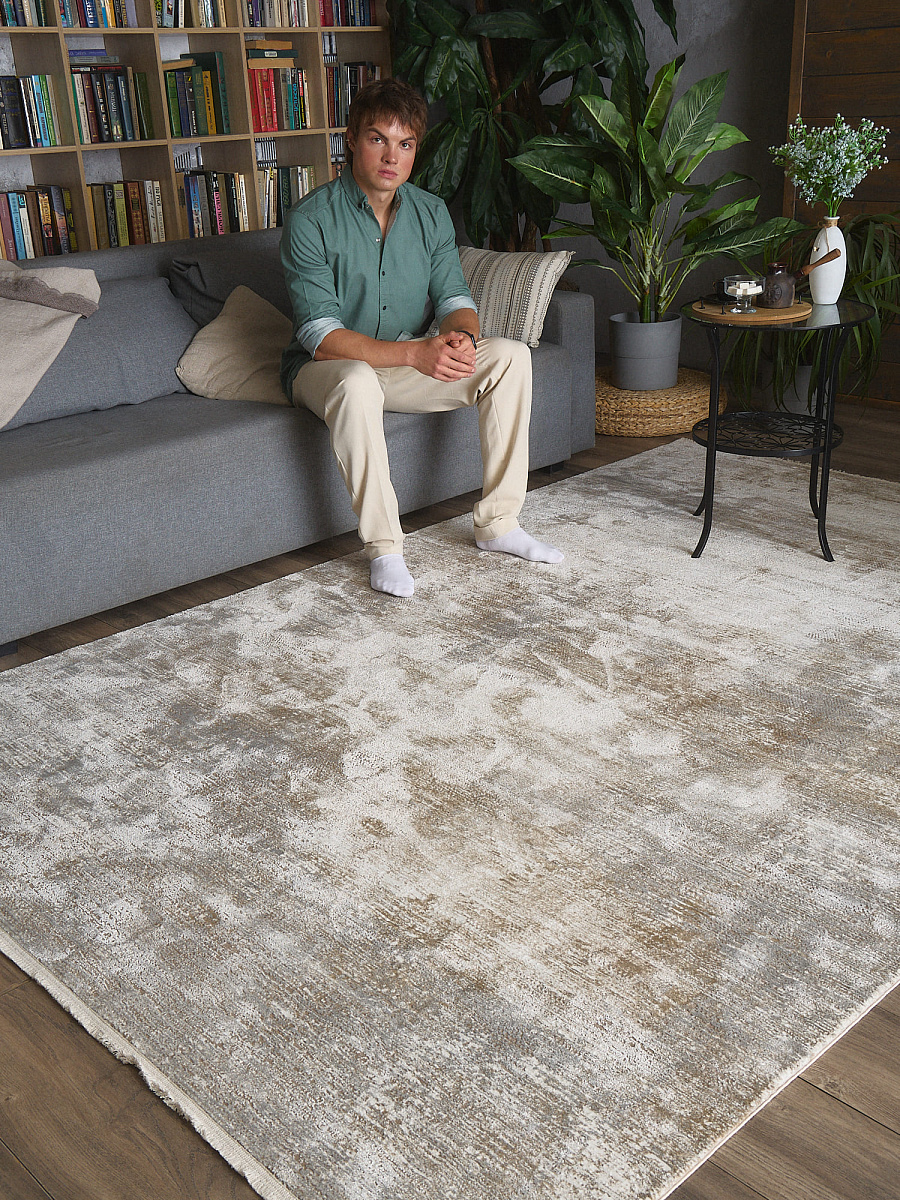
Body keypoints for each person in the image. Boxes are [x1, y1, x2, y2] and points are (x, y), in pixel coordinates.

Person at [280, 79, 563, 598]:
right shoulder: (309, 219)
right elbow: (320, 337)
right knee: (356, 380)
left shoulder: (431, 213)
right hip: (325, 371)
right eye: (378, 139)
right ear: (351, 139)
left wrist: (461, 338)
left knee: (509, 355)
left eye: (405, 143)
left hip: (401, 366)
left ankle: (499, 524)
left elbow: (456, 298)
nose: (392, 157)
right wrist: (415, 353)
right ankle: (385, 549)